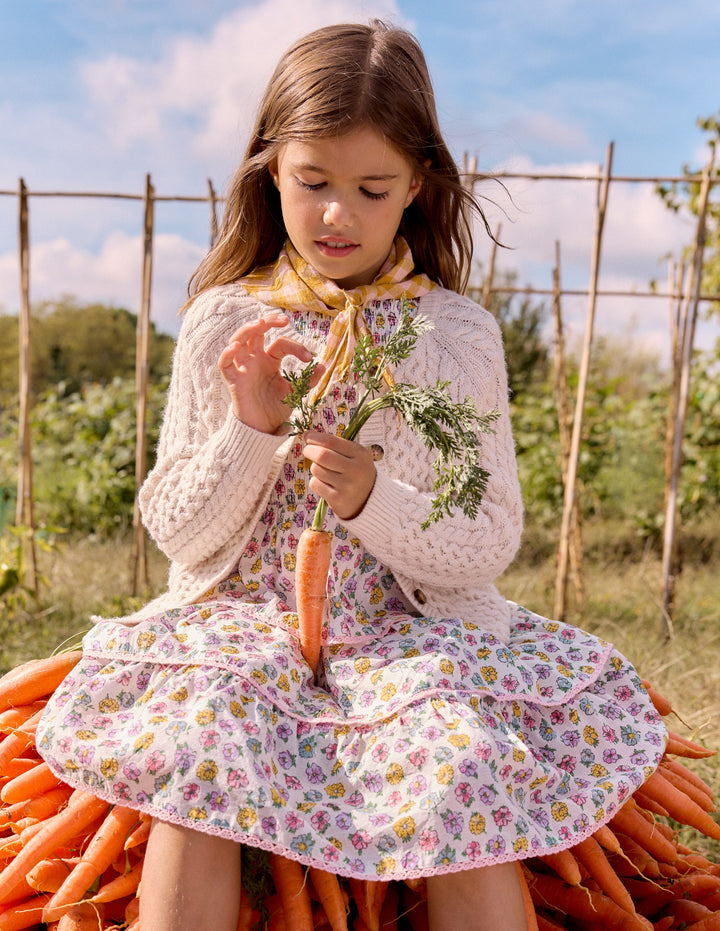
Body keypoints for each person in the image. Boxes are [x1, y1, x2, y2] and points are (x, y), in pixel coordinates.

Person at [36, 20, 667, 931]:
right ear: (270, 172)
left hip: (408, 633)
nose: (338, 213)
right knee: (201, 738)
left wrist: (375, 497)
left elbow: (489, 536)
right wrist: (250, 429)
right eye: (313, 182)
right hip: (241, 623)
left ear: (417, 186)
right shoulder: (225, 322)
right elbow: (176, 526)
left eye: (371, 189)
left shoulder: (455, 337)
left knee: (461, 760)